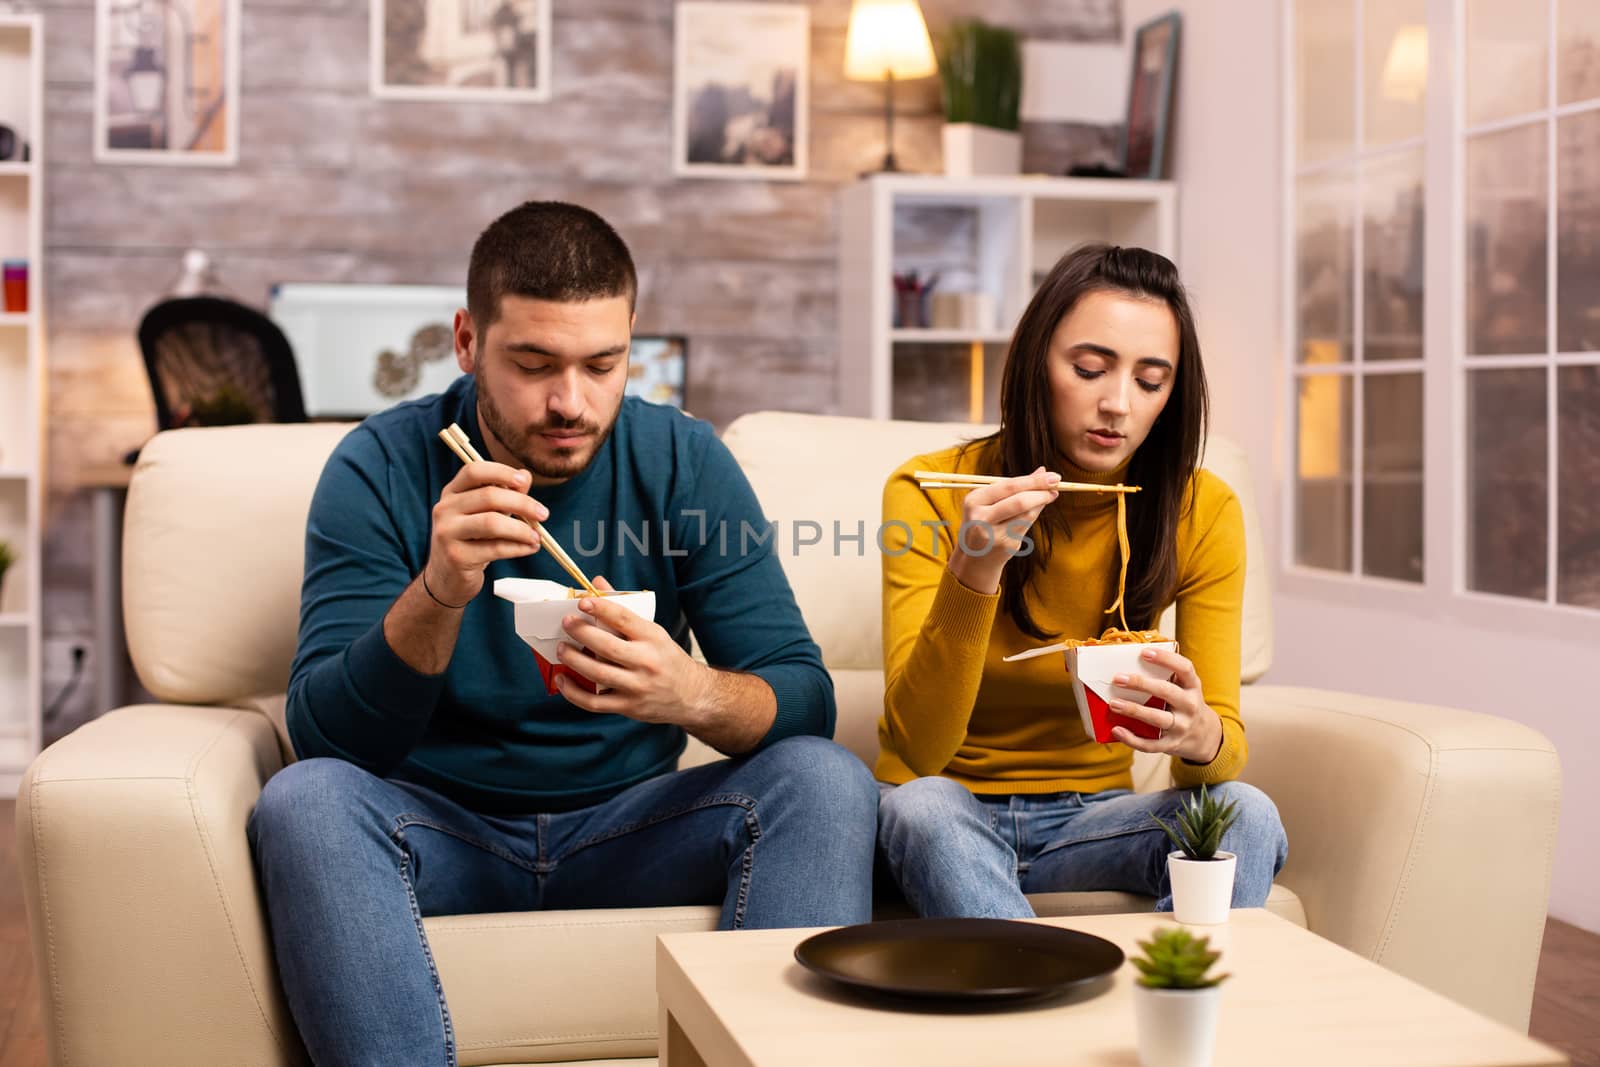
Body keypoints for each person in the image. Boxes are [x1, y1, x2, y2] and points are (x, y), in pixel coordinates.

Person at [248, 201, 877, 1065]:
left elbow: (803, 696)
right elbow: (326, 736)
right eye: (533, 363)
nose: (569, 403)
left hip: (631, 826)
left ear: (631, 346)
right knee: (304, 801)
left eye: (603, 364)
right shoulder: (380, 466)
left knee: (825, 778)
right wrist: (440, 589)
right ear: (467, 342)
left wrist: (686, 691)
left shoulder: (682, 461)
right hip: (439, 827)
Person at [875, 243, 1287, 919]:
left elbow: (1213, 761)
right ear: (1037, 359)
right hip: (947, 807)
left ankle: (1173, 997)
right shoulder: (928, 489)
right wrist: (975, 572)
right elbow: (920, 749)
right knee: (922, 807)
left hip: (1092, 819)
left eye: (1150, 382)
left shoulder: (1203, 509)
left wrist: (1200, 734)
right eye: (1090, 368)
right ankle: (1042, 1008)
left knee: (1247, 812)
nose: (1117, 404)